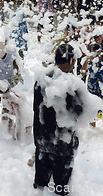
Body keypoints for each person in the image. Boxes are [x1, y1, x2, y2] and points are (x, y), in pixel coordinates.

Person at [33, 44, 85, 196]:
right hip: (63, 142)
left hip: (42, 138)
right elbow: (78, 112)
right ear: (70, 61)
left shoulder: (42, 79)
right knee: (61, 184)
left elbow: (37, 108)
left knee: (41, 179)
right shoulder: (70, 85)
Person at [0, 37, 19, 123]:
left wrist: (17, 77)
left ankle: (5, 128)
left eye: (2, 43)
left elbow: (16, 66)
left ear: (5, 43)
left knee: (7, 109)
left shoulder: (11, 53)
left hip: (9, 84)